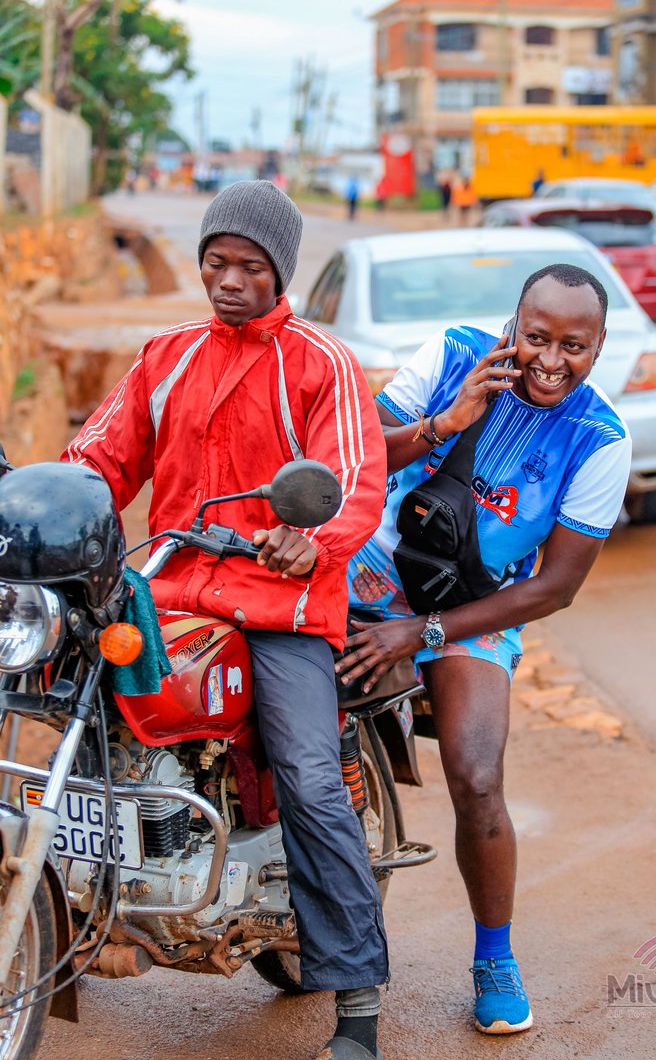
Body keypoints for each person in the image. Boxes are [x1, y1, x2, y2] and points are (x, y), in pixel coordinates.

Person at [62, 181, 390, 1060]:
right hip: (169, 593)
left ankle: (356, 997)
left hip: (280, 601)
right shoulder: (164, 355)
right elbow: (99, 456)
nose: (230, 280)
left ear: (281, 269)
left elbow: (354, 474)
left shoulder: (321, 361)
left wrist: (306, 538)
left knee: (314, 781)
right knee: (66, 707)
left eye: (251, 266)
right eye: (217, 262)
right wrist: (52, 506)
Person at [337, 263, 631, 1037]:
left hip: (473, 609)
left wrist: (422, 633)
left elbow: (554, 588)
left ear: (598, 348)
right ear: (512, 326)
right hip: (366, 569)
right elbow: (356, 460)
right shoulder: (452, 356)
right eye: (536, 337)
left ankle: (494, 959)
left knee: (475, 776)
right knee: (266, 697)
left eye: (576, 345)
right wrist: (449, 419)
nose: (551, 360)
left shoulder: (599, 439)